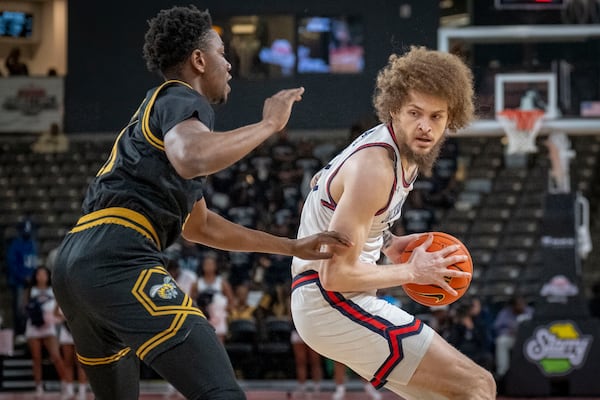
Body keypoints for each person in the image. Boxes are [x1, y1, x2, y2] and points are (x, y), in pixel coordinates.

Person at [51, 5, 350, 400]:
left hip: (75, 265)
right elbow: (191, 156)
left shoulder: (153, 116)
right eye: (222, 53)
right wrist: (268, 125)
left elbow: (201, 226)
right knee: (221, 393)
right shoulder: (179, 97)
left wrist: (290, 247)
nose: (228, 65)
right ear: (198, 60)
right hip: (117, 258)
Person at [290, 46, 496, 399]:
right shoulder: (376, 167)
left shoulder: (399, 154)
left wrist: (388, 242)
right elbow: (336, 274)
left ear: (452, 119)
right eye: (415, 113)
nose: (425, 126)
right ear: (394, 110)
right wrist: (412, 272)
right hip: (330, 300)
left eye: (437, 117)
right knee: (477, 386)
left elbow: (347, 214)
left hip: (333, 300)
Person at [24, 266, 68, 398]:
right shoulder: (31, 290)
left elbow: (58, 308)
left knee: (56, 356)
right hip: (34, 325)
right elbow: (25, 307)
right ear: (35, 276)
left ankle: (65, 385)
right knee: (36, 358)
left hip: (49, 326)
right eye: (39, 274)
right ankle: (39, 388)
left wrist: (53, 317)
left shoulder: (53, 290)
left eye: (44, 274)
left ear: (48, 276)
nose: (41, 277)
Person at [6, 218, 38, 338]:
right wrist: (23, 276)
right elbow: (12, 264)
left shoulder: (33, 243)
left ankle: (28, 331)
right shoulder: (15, 244)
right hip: (19, 282)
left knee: (31, 306)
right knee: (20, 308)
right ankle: (19, 332)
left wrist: (33, 277)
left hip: (31, 282)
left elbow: (34, 262)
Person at [493, 295, 534, 380]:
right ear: (513, 306)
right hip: (513, 339)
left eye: (522, 304)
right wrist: (509, 331)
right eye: (518, 304)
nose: (521, 306)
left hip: (529, 340)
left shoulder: (530, 311)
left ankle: (533, 371)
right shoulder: (505, 313)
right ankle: (502, 372)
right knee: (501, 341)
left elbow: (538, 326)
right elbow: (496, 328)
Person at [55, 306, 88, 400]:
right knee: (68, 362)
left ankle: (82, 392)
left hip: (79, 330)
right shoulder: (62, 297)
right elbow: (56, 314)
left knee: (80, 363)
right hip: (66, 331)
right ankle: (69, 391)